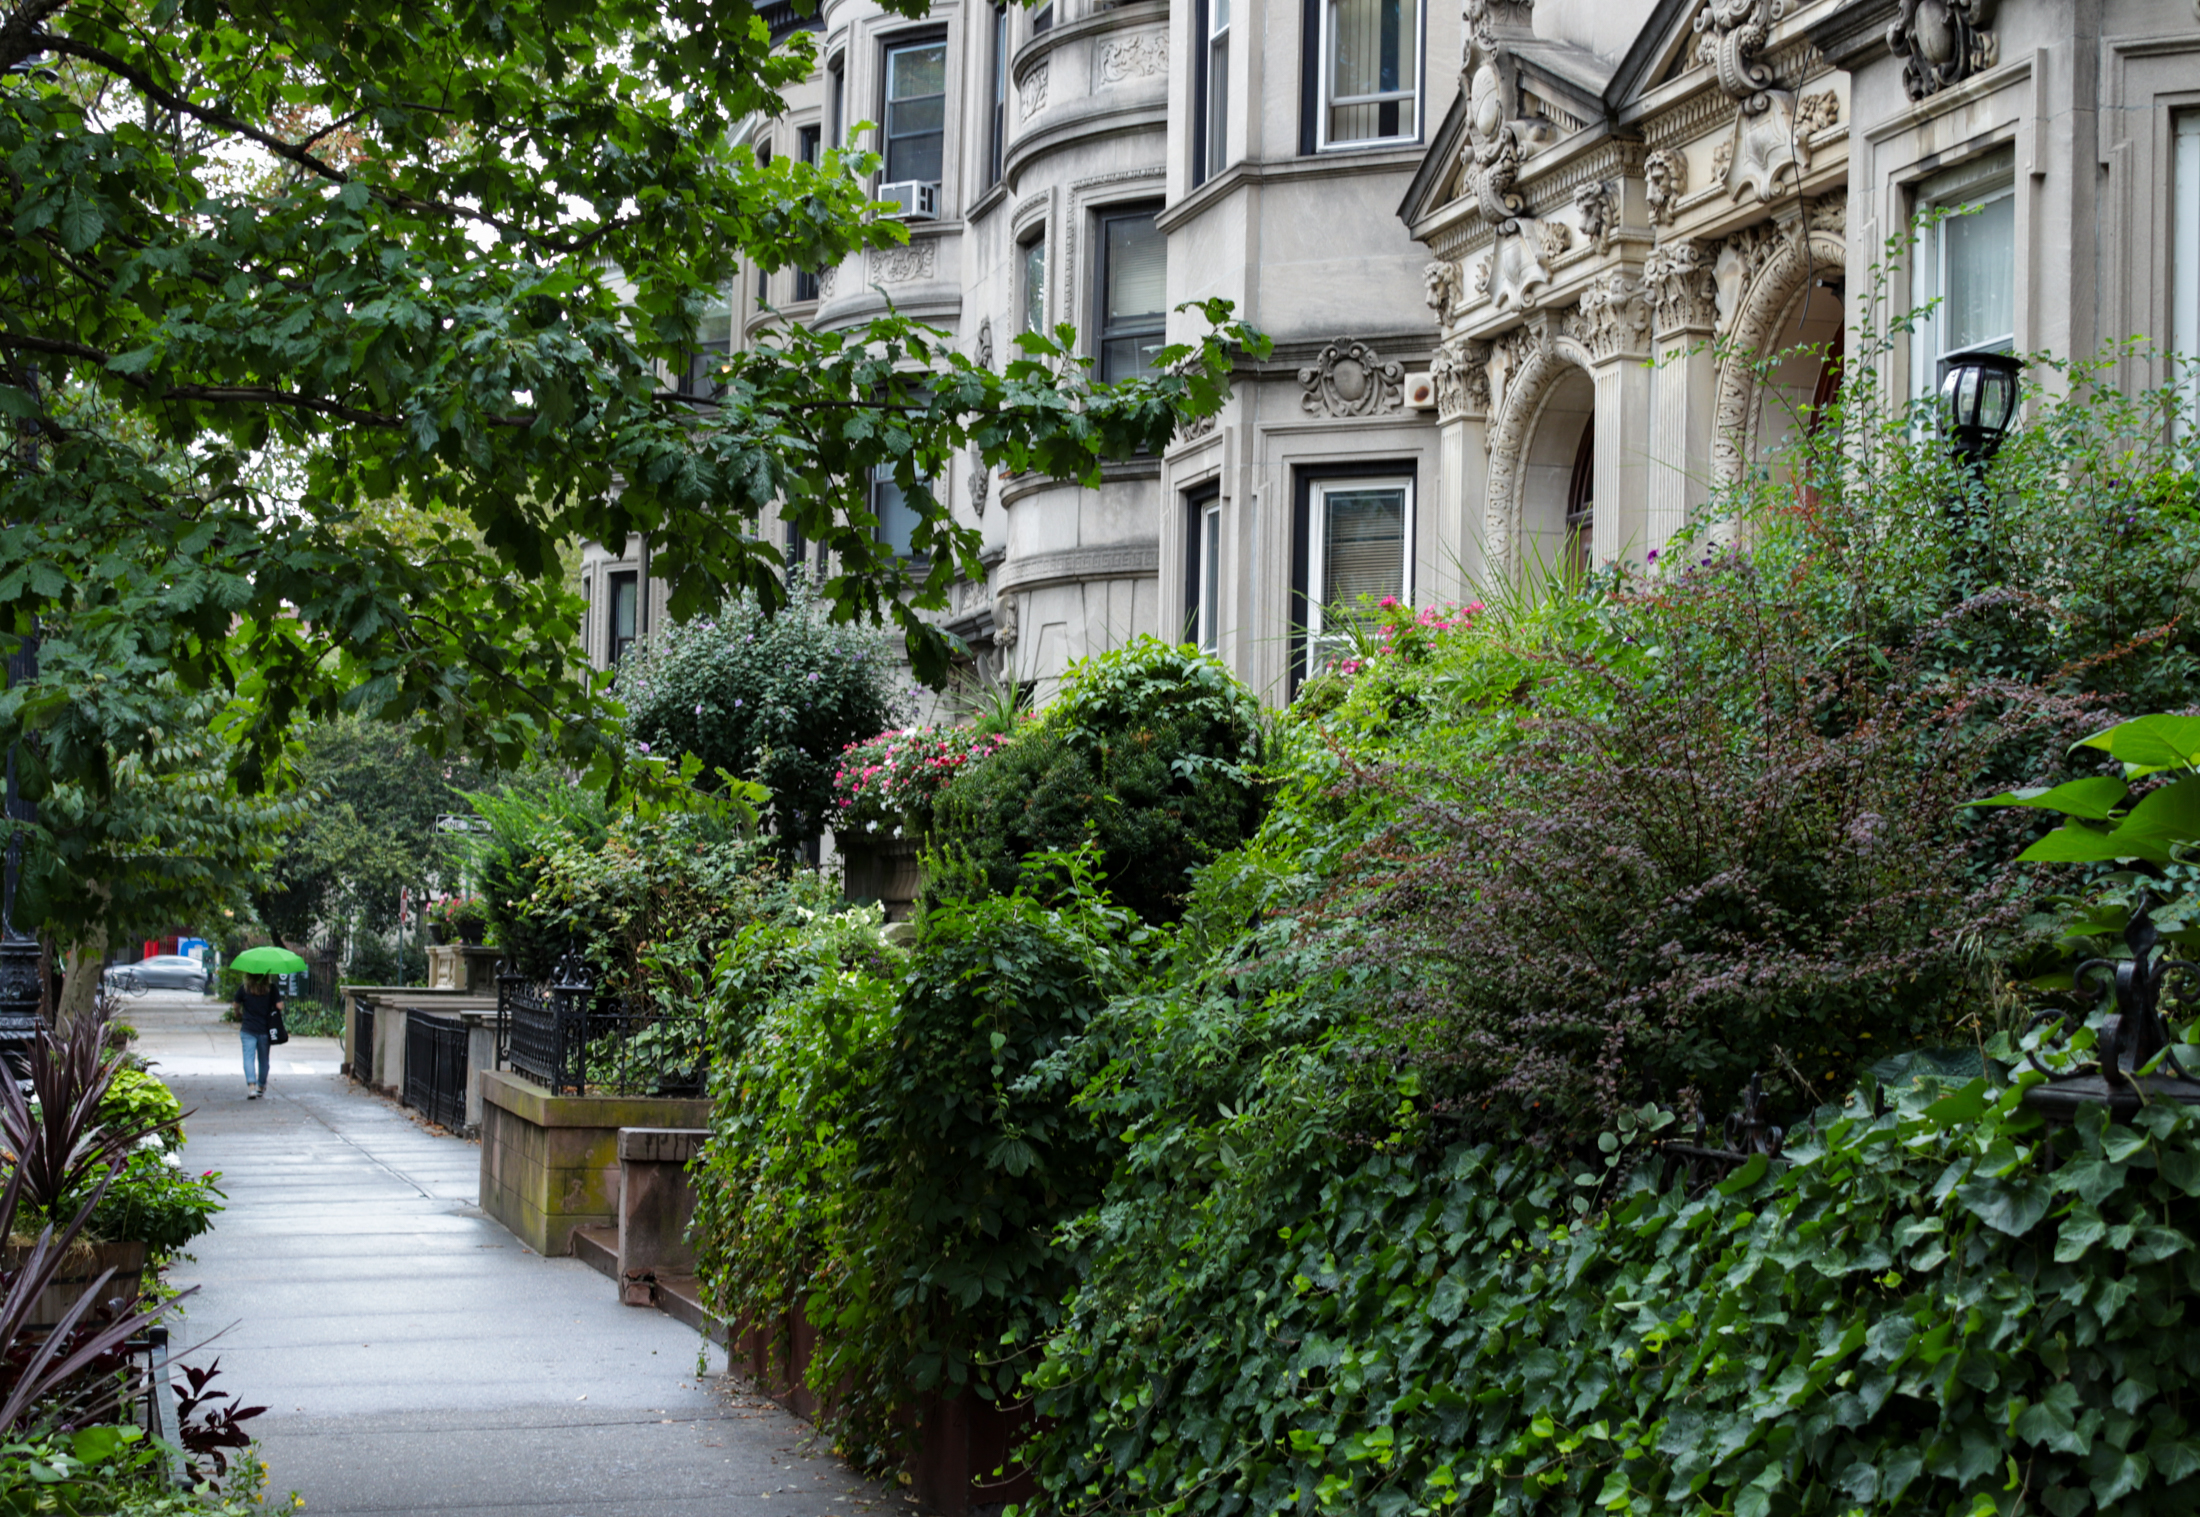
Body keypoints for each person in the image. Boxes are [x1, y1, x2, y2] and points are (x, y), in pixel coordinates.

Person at [235, 973, 282, 1100]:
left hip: (248, 1029)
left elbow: (235, 1004)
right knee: (264, 1060)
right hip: (265, 1030)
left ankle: (251, 1087)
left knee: (248, 1058)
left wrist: (238, 1013)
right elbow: (279, 1006)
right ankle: (261, 1086)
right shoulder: (271, 988)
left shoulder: (244, 988)